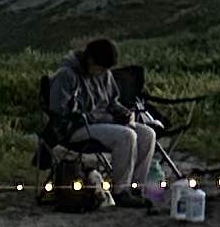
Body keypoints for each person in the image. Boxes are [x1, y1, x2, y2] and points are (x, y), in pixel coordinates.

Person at [45, 36, 164, 201]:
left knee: (147, 134)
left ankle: (136, 188)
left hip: (104, 122)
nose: (103, 73)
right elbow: (60, 112)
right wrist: (99, 117)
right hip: (76, 128)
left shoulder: (104, 74)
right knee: (126, 136)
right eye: (101, 68)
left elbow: (112, 102)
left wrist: (123, 113)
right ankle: (121, 191)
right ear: (90, 60)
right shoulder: (66, 75)